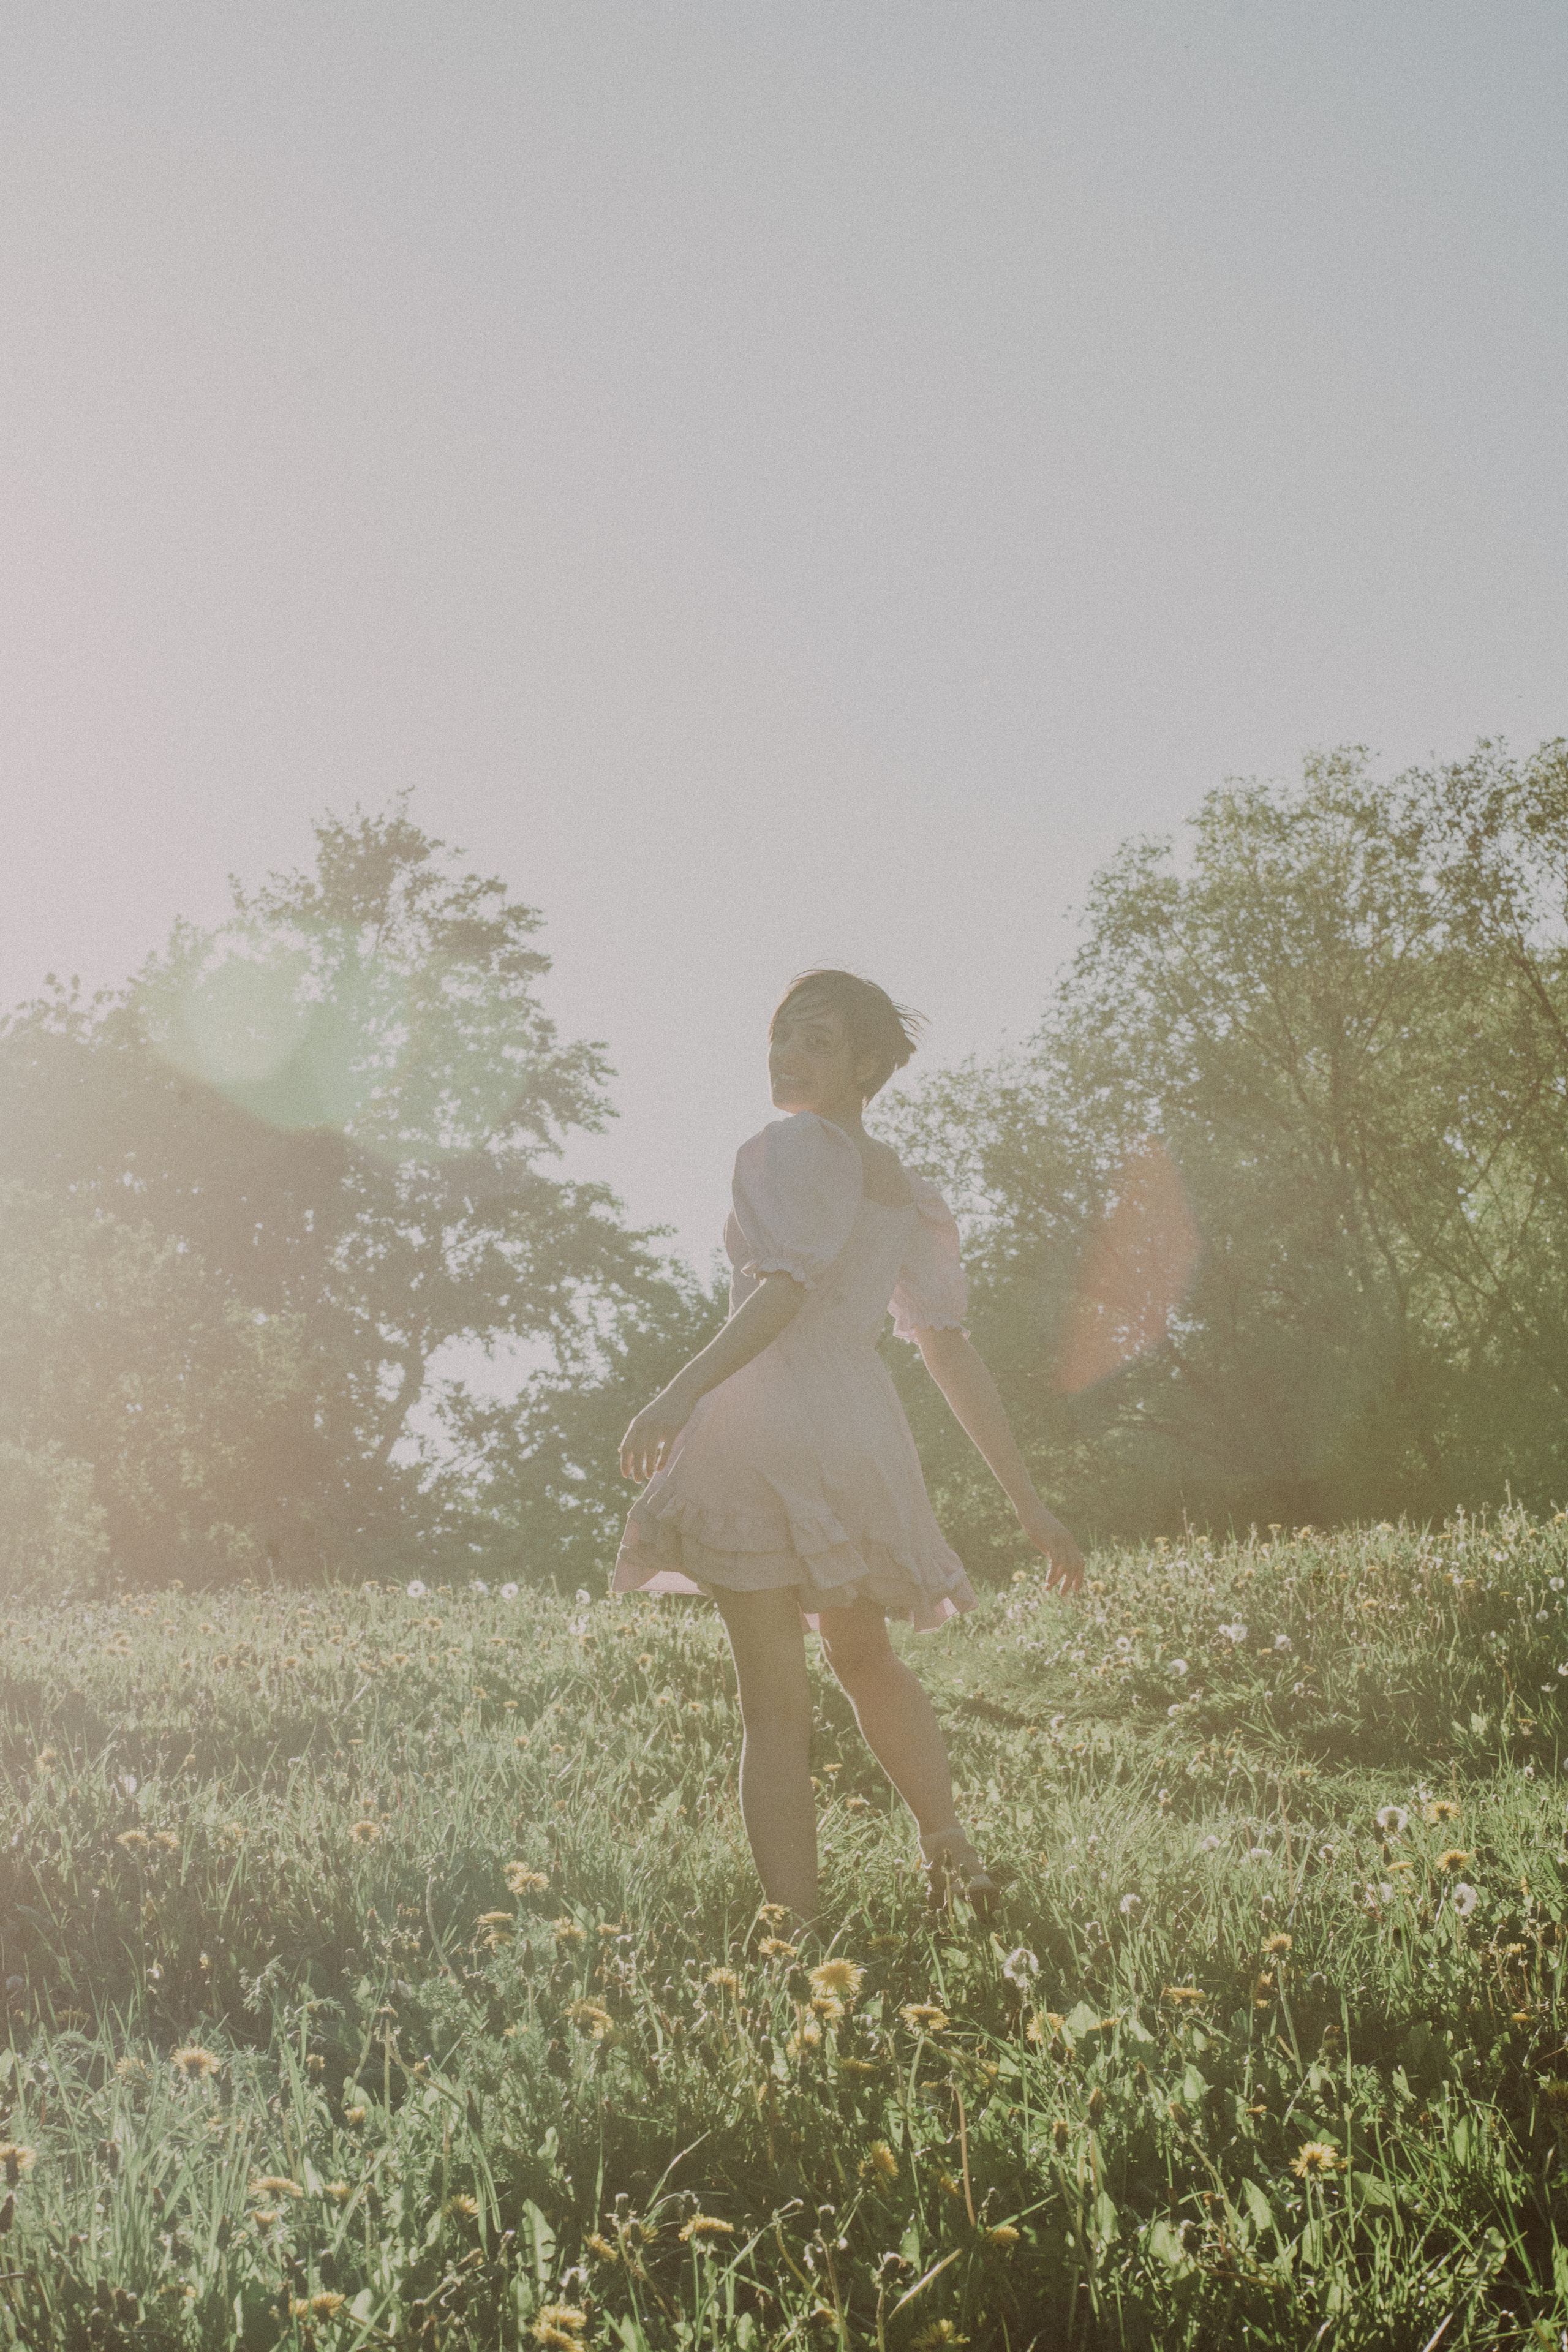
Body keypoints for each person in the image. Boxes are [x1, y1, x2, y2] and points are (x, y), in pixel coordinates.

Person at [614, 969, 1084, 1928]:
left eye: (818, 1042)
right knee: (866, 1659)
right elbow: (947, 1347)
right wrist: (1027, 1504)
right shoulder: (901, 1186)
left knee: (774, 1706)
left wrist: (678, 1391)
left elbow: (783, 1290)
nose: (789, 1055)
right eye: (784, 1035)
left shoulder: (792, 1147)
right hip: (859, 1429)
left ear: (868, 1066)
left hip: (766, 1423)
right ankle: (952, 1852)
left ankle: (796, 1939)